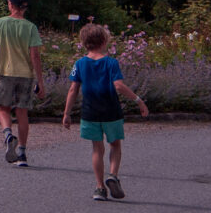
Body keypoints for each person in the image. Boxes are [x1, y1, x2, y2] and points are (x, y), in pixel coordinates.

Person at [61, 23, 150, 200]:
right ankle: (113, 175)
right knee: (115, 145)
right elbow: (118, 85)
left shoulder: (79, 64)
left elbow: (73, 89)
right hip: (111, 110)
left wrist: (66, 113)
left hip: (90, 111)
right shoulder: (111, 63)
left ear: (84, 43)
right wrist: (139, 101)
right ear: (104, 41)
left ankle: (99, 187)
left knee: (96, 149)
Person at [0, 0, 47, 166]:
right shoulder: (30, 27)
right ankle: (22, 152)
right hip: (25, 74)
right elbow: (35, 56)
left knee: (3, 108)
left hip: (4, 72)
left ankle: (7, 134)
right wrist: (40, 82)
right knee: (22, 112)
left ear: (10, 5)